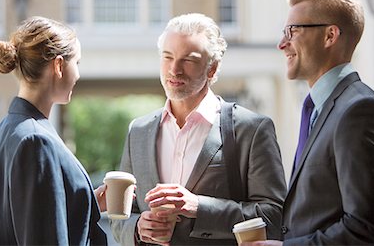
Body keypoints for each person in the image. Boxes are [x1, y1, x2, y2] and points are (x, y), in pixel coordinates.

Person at [242, 0, 374, 246]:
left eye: (292, 31)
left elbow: (365, 231)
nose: (282, 44)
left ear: (330, 36)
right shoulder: (320, 109)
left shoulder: (360, 112)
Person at [111, 13, 286, 245]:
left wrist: (199, 207)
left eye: (189, 60)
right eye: (167, 57)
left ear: (212, 69)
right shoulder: (139, 131)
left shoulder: (251, 130)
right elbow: (119, 216)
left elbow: (274, 217)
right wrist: (137, 228)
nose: (174, 69)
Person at [0, 16, 108, 245]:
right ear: (59, 65)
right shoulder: (35, 140)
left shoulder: (6, 130)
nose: (79, 75)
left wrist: (86, 201)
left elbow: (30, 216)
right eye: (77, 63)